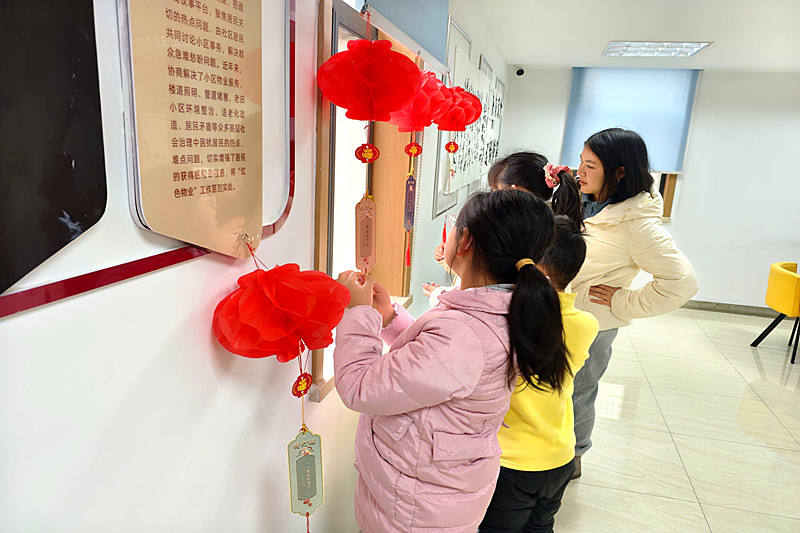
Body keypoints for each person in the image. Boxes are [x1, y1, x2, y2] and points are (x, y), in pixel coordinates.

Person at [333, 190, 568, 533]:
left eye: (454, 226)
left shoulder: (465, 333)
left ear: (465, 242)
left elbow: (359, 388)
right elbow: (439, 368)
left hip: (416, 507)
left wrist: (359, 313)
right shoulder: (499, 308)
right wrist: (389, 319)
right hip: (434, 489)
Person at [570, 128, 698, 477]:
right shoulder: (589, 201)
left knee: (579, 391)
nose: (580, 171)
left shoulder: (639, 224)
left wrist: (624, 302)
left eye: (590, 165)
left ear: (619, 172)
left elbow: (681, 283)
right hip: (561, 317)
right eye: (581, 162)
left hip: (594, 323)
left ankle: (574, 458)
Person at [478, 215, 599, 533]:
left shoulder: (509, 321)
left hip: (513, 462)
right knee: (540, 526)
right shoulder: (586, 324)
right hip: (560, 455)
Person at [422, 151, 583, 304]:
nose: (490, 198)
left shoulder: (523, 238)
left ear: (514, 192)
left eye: (494, 191)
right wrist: (453, 259)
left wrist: (442, 297)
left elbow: (488, 290)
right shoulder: (534, 230)